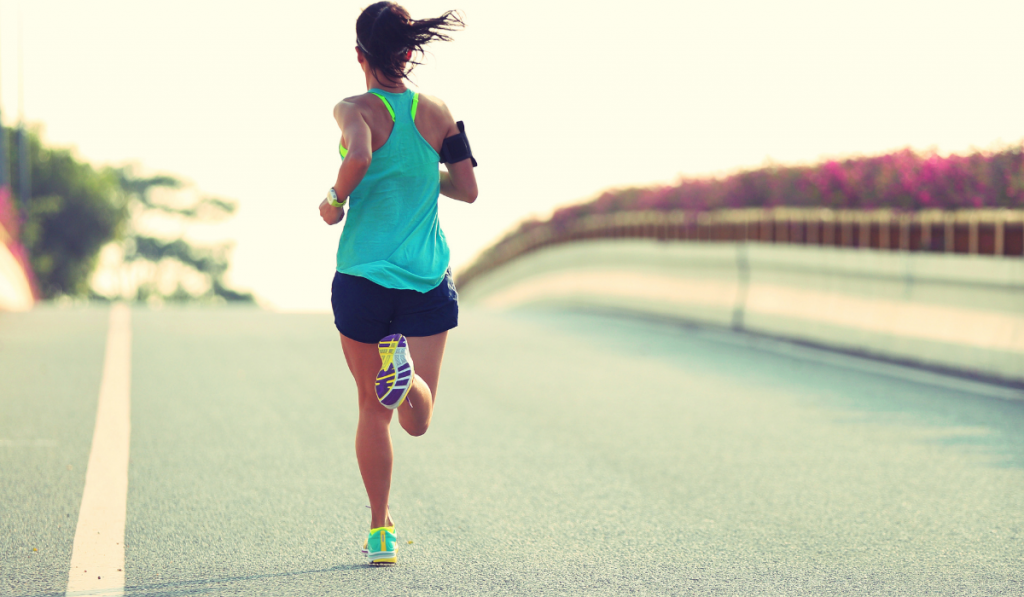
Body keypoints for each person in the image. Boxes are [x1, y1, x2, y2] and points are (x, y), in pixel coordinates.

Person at [318, 1, 477, 565]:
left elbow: (359, 156)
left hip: (363, 276)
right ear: (409, 53)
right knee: (416, 420)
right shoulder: (438, 113)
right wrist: (418, 171)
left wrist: (334, 201)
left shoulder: (351, 107)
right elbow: (468, 188)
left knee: (369, 408)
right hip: (426, 278)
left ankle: (380, 529)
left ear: (359, 55)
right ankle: (406, 379)